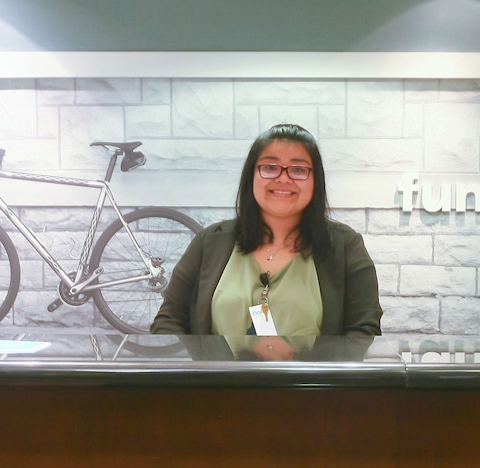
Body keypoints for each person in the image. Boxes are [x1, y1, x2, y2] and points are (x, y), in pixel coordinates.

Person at [151, 123, 382, 339]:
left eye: (298, 169)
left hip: (311, 372)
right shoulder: (210, 242)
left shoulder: (345, 246)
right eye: (270, 167)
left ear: (316, 180)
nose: (283, 178)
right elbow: (168, 321)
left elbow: (363, 331)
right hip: (218, 372)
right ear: (251, 175)